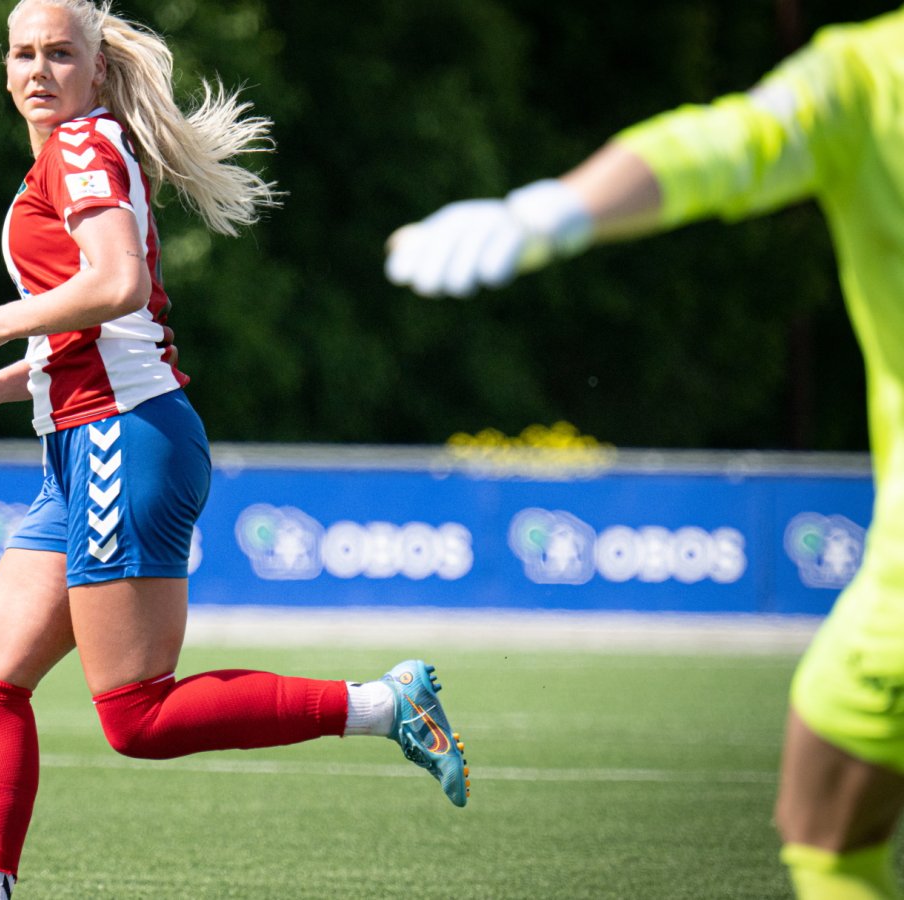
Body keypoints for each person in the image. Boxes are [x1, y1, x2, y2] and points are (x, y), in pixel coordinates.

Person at [0, 2, 469, 897]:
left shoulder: (81, 146)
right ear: (3, 68)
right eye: (23, 54)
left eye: (60, 53)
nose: (38, 70)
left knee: (136, 716)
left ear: (96, 69)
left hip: (122, 440)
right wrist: (3, 386)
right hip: (86, 442)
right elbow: (107, 326)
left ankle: (387, 703)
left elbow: (118, 283)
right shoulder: (70, 152)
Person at [384, 9, 904, 897]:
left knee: (825, 827)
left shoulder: (869, 70)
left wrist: (550, 212)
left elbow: (726, 146)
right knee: (824, 803)